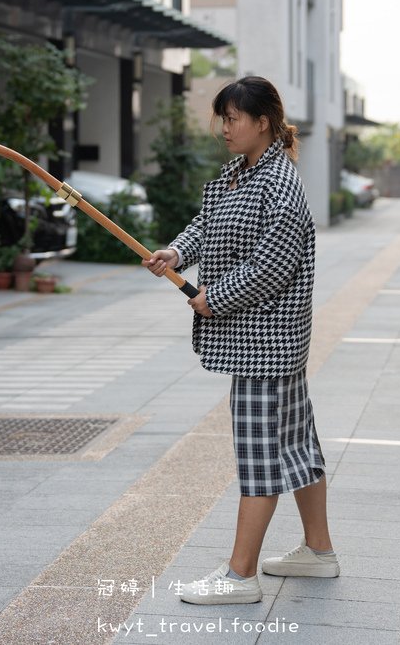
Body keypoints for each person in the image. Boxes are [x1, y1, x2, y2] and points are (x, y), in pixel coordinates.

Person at [143, 76, 338, 605]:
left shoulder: (281, 184)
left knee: (260, 455)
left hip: (267, 343)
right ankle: (318, 551)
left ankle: (239, 576)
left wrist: (214, 298)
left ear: (263, 124)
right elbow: (206, 226)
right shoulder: (237, 173)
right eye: (221, 118)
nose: (223, 129)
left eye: (232, 119)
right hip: (265, 342)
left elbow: (271, 266)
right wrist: (176, 255)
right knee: (297, 443)